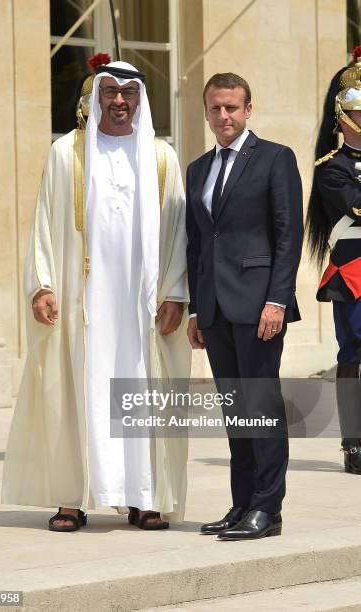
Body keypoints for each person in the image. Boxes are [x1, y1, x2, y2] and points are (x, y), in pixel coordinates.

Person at [2, 56, 191, 531]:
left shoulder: (161, 157)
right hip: (80, 301)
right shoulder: (67, 153)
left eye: (128, 93)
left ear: (140, 99)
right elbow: (43, 223)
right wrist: (41, 284)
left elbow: (179, 233)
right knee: (75, 391)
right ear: (96, 97)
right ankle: (72, 498)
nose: (120, 101)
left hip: (141, 304)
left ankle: (143, 497)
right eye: (111, 92)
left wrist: (175, 291)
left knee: (141, 391)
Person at [186, 73, 303, 541]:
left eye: (232, 107)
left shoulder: (275, 158)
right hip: (214, 308)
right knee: (236, 411)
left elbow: (288, 234)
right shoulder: (198, 169)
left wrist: (276, 299)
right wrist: (197, 309)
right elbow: (197, 243)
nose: (224, 116)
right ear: (207, 111)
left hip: (258, 306)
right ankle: (241, 504)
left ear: (248, 109)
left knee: (261, 407)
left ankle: (267, 509)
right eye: (216, 108)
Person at [306, 48, 361, 473]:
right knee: (354, 355)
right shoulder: (332, 167)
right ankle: (354, 442)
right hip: (355, 270)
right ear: (342, 115)